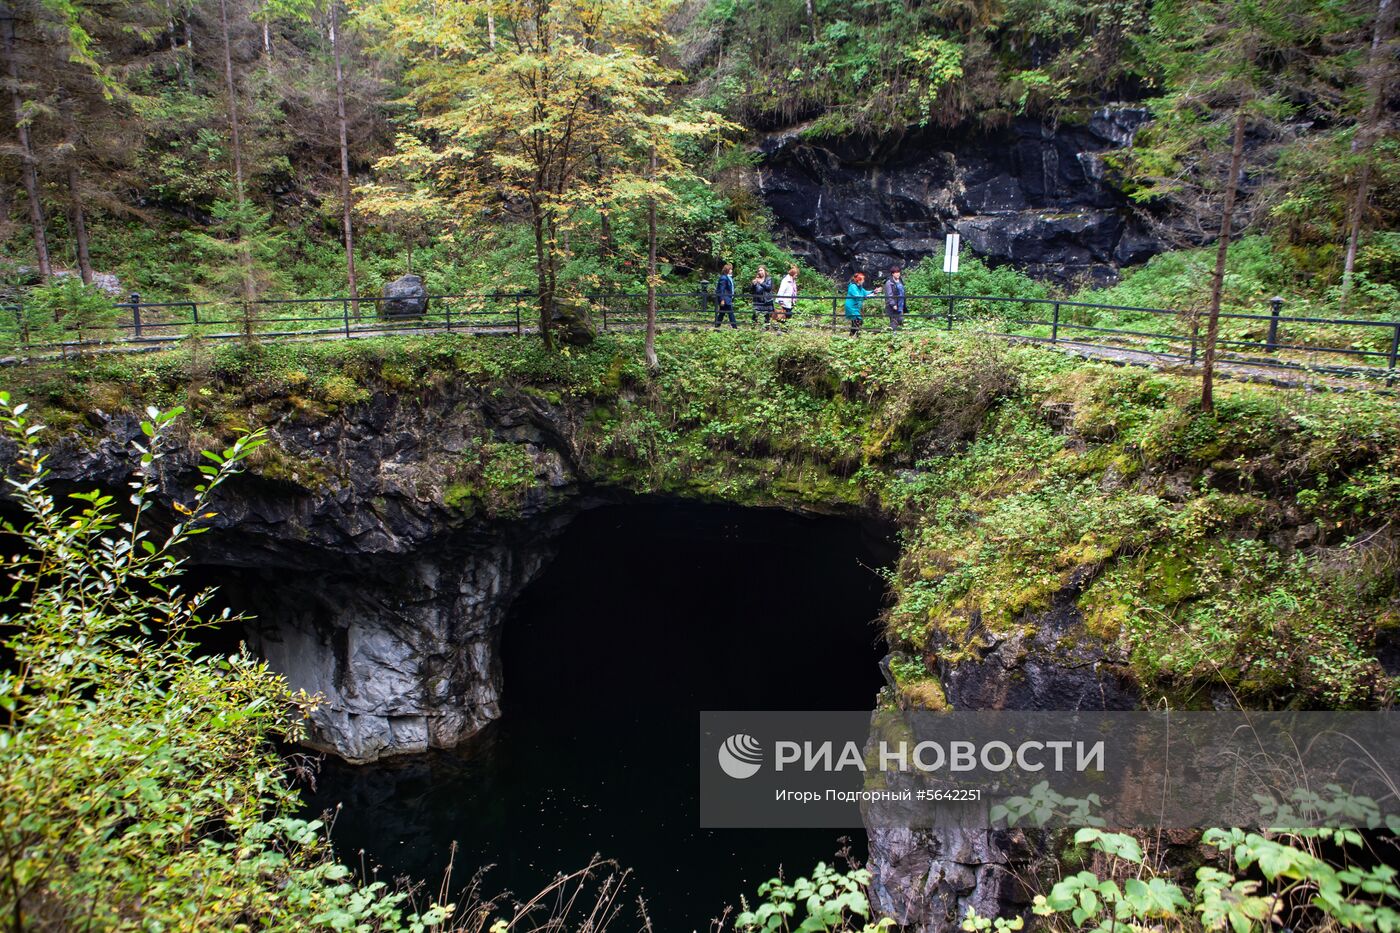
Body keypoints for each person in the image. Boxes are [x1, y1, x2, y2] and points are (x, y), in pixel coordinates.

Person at [844, 272, 873, 336]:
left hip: (855, 306)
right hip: (851, 307)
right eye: (862, 280)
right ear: (859, 280)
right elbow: (857, 295)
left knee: (856, 322)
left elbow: (865, 292)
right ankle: (857, 336)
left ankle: (851, 337)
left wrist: (873, 291)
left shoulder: (859, 287)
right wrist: (865, 297)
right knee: (857, 321)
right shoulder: (853, 286)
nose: (863, 281)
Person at [883, 266, 906, 332]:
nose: (898, 274)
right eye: (896, 272)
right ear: (892, 273)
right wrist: (893, 304)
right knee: (894, 321)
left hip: (900, 303)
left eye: (898, 272)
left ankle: (899, 335)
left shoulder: (900, 280)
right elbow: (889, 295)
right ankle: (893, 335)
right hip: (893, 304)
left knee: (900, 319)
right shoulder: (889, 282)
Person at [714, 264, 736, 329]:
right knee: (730, 312)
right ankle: (735, 327)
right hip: (725, 298)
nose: (731, 270)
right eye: (730, 269)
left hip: (728, 298)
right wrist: (722, 299)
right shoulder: (724, 278)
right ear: (727, 270)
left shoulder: (728, 277)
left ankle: (717, 326)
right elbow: (721, 289)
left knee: (722, 312)